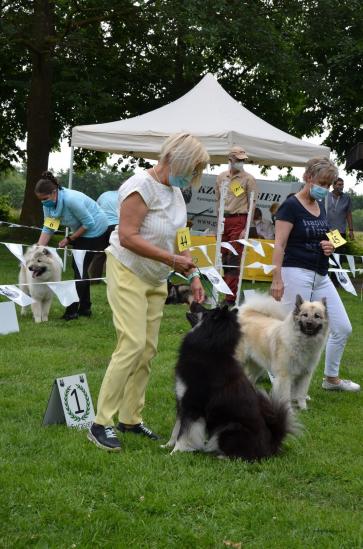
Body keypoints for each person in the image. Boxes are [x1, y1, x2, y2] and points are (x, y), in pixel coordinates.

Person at [88, 133, 209, 452]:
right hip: (127, 269)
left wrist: (193, 272)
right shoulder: (139, 186)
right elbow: (127, 236)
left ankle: (130, 418)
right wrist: (171, 260)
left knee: (147, 350)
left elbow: (182, 237)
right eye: (190, 169)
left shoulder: (176, 192)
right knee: (131, 343)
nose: (190, 177)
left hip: (156, 277)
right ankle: (100, 422)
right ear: (173, 159)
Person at [270, 157, 360, 393]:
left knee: (342, 327)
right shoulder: (290, 206)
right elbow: (279, 245)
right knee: (287, 329)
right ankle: (279, 377)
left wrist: (332, 245)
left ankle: (331, 379)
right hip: (295, 271)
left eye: (329, 185)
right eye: (322, 182)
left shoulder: (322, 206)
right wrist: (276, 279)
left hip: (321, 273)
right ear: (308, 178)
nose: (326, 188)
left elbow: (331, 235)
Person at [35, 171, 109, 320]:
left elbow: (89, 223)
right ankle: (85, 308)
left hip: (97, 230)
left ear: (54, 192)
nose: (43, 202)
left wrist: (70, 239)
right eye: (40, 200)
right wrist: (38, 248)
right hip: (82, 230)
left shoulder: (71, 200)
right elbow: (49, 227)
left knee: (79, 270)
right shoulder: (48, 205)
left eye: (45, 198)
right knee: (79, 269)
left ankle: (72, 311)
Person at [215, 146, 257, 304]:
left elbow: (252, 204)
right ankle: (226, 293)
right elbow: (217, 200)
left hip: (239, 219)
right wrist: (218, 221)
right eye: (238, 160)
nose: (241, 162)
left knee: (234, 258)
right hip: (223, 220)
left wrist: (246, 228)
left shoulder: (248, 179)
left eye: (243, 160)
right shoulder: (220, 177)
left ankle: (230, 298)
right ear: (230, 160)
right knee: (224, 258)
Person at [88, 190, 119, 279]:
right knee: (116, 254)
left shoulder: (104, 194)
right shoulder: (125, 195)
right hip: (116, 226)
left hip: (102, 225)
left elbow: (96, 208)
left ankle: (94, 278)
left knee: (99, 253)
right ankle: (114, 278)